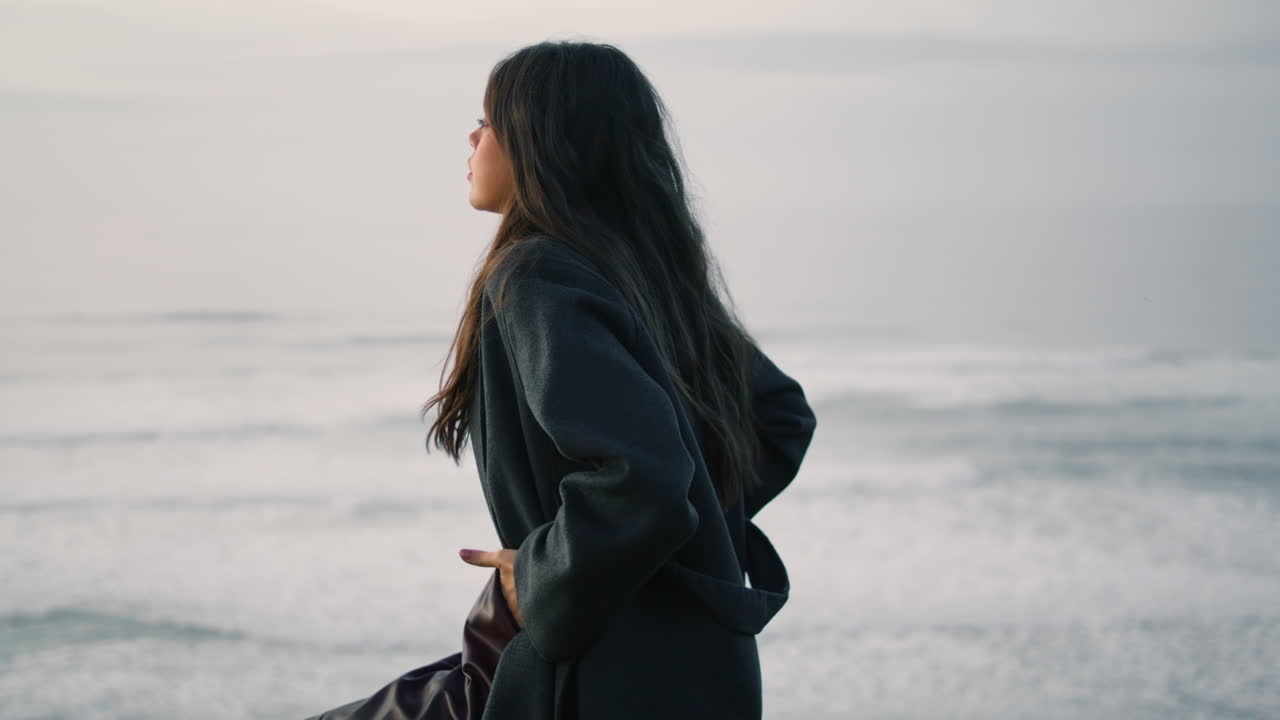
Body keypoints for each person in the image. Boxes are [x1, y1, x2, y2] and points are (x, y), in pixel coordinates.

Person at [305, 39, 817, 720]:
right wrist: (676, 551)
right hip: (695, 674)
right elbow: (778, 418)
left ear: (541, 144)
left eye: (490, 120)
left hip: (599, 676)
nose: (473, 135)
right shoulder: (648, 276)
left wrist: (551, 574)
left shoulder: (537, 274)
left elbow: (643, 478)